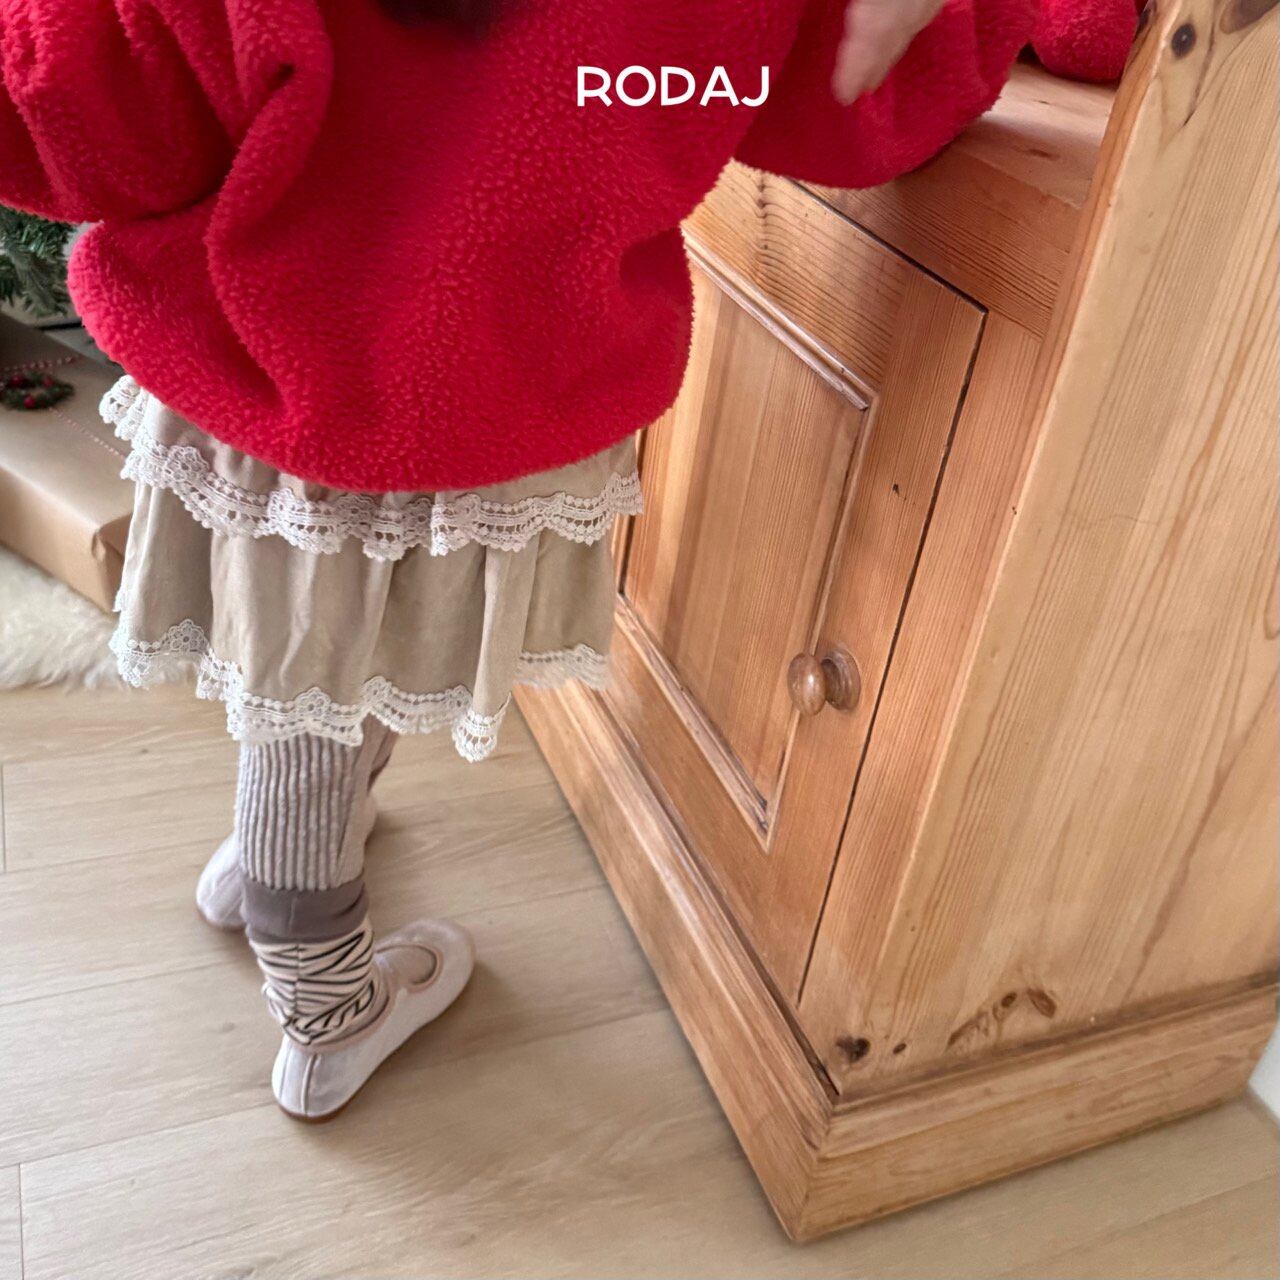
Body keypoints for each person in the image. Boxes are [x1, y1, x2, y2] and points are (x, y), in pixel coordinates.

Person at [0, 0, 1033, 1121]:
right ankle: (323, 1007)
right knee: (331, 675)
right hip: (494, 388)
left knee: (312, 669)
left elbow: (95, 120)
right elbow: (846, 102)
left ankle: (286, 877)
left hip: (281, 370)